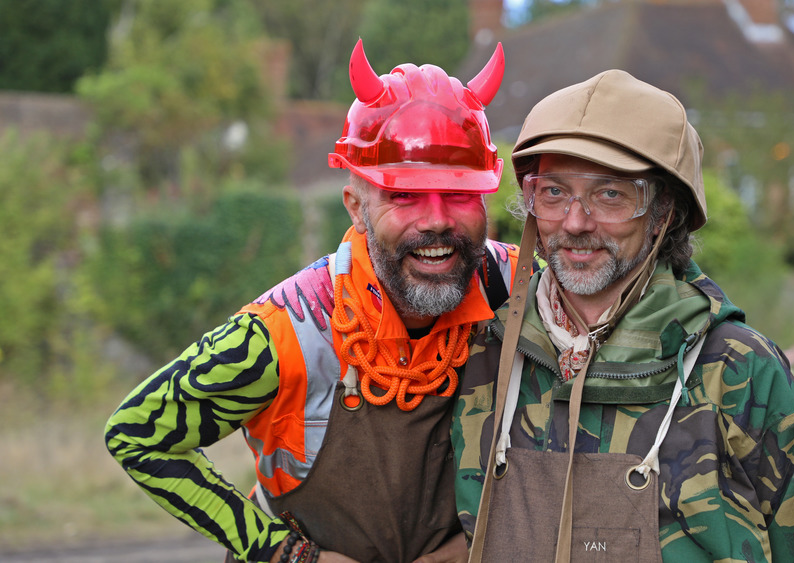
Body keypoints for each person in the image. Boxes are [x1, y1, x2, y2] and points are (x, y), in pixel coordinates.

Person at [105, 39, 523, 563]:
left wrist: (469, 549)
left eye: (459, 193)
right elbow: (136, 435)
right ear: (356, 206)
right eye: (404, 194)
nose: (436, 219)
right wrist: (287, 555)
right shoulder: (285, 332)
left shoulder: (520, 290)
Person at [452, 70, 794, 562]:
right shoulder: (484, 353)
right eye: (554, 192)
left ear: (663, 212)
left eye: (610, 195)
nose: (576, 222)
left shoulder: (737, 372)